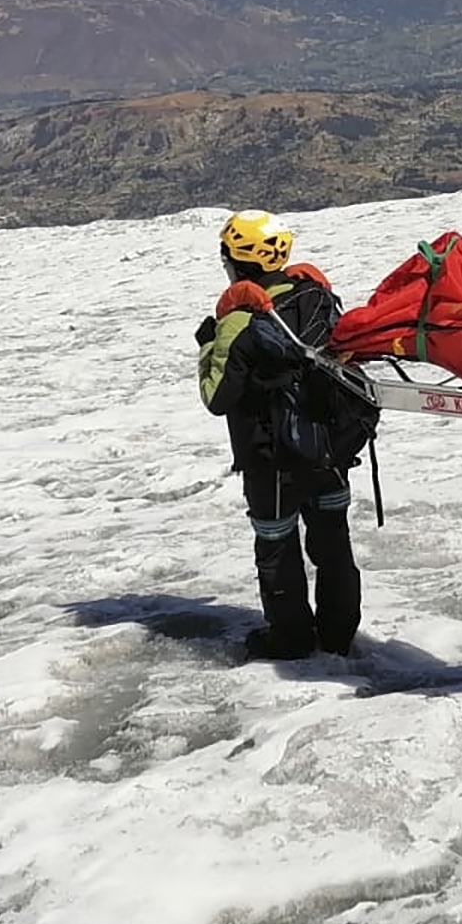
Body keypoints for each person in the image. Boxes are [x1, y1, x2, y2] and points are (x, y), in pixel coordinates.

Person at [195, 209, 364, 659]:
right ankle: (339, 635)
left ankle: (289, 641)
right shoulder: (317, 298)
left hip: (270, 458)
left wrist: (208, 344)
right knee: (333, 543)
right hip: (328, 451)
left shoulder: (238, 319)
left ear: (238, 261)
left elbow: (217, 397)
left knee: (277, 548)